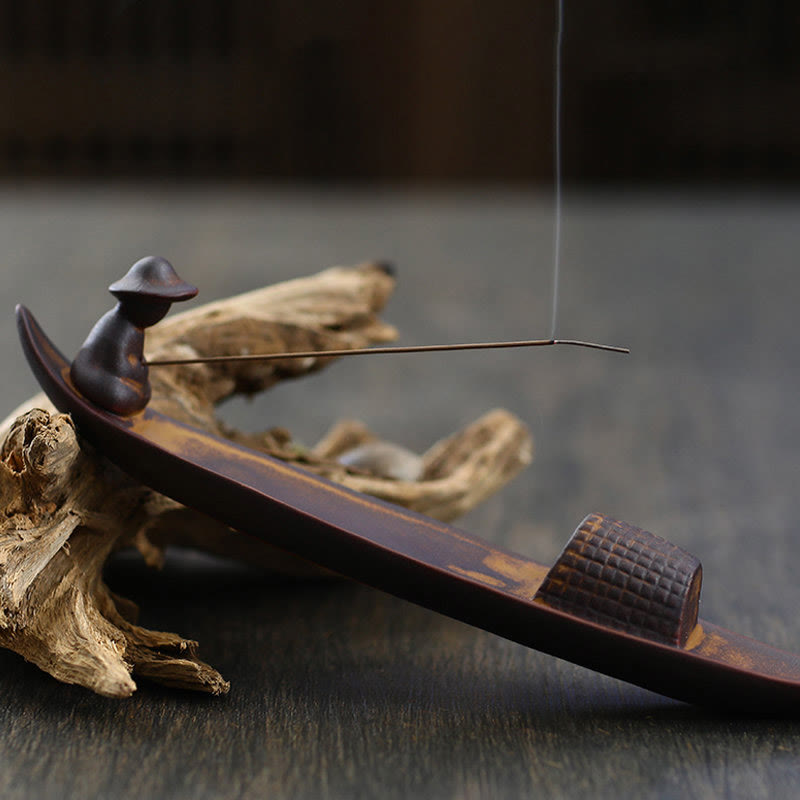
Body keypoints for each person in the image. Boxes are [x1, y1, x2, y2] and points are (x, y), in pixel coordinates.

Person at [70, 256, 197, 415]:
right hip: (95, 376)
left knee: (143, 393)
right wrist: (137, 368)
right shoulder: (121, 325)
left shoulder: (134, 327)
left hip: (109, 375)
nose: (162, 312)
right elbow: (118, 363)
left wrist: (139, 365)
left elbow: (131, 358)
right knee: (127, 396)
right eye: (159, 305)